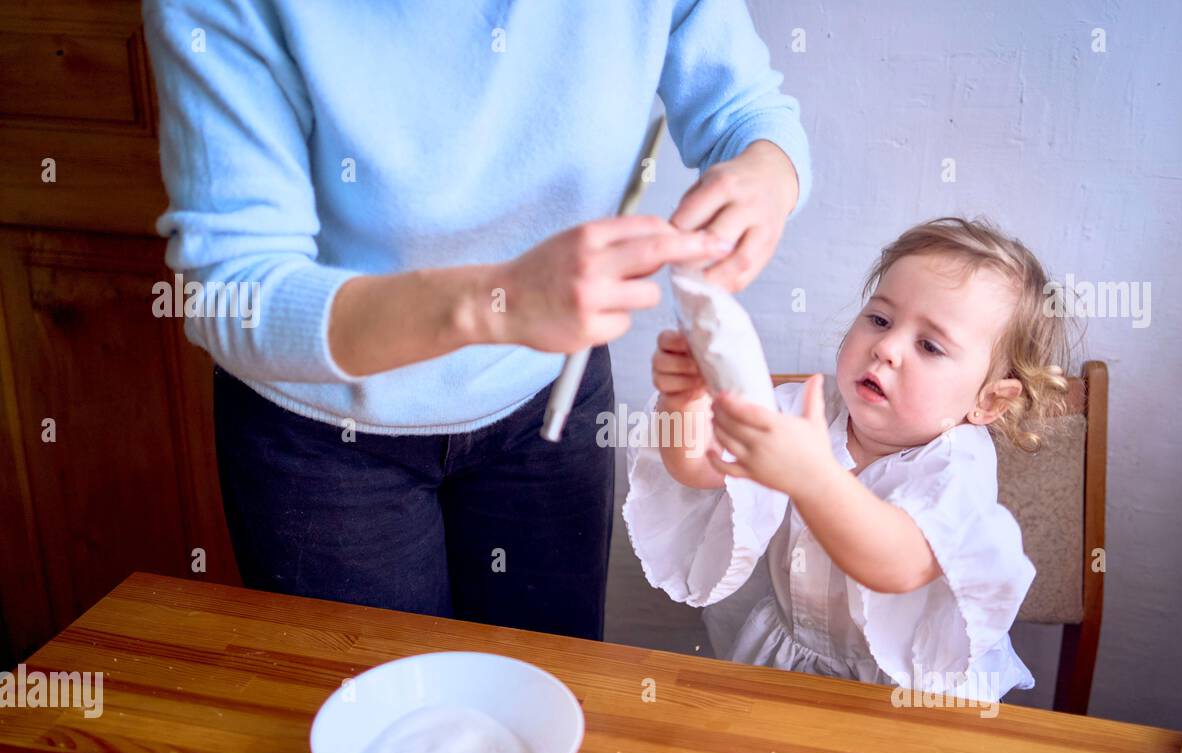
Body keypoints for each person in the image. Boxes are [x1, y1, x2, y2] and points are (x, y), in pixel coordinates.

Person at [142, 0, 812, 641]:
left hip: (551, 402)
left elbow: (746, 110)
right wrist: (498, 302)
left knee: (545, 705)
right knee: (380, 732)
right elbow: (230, 293)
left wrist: (766, 173)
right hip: (324, 437)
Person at [625, 217, 1074, 702]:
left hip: (910, 693)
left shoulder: (956, 466)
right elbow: (698, 466)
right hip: (787, 666)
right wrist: (684, 399)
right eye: (880, 320)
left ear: (988, 402)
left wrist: (812, 477)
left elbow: (897, 564)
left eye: (929, 346)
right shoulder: (803, 410)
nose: (886, 347)